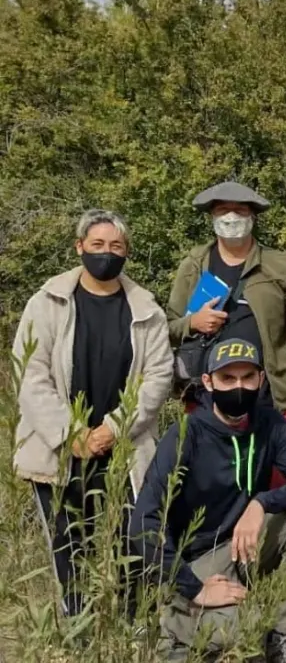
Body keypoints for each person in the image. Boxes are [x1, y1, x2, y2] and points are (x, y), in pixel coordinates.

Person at [166, 180, 286, 617]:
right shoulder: (194, 265)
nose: (231, 218)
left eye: (239, 210)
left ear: (254, 215)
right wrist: (193, 322)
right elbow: (168, 325)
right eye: (223, 211)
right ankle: (214, 579)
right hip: (208, 400)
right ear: (211, 216)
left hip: (272, 400)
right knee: (210, 495)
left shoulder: (280, 265)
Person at [12, 209, 173, 617]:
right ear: (79, 247)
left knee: (132, 538)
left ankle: (133, 620)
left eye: (116, 246)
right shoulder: (46, 303)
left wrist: (111, 430)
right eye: (97, 245)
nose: (106, 253)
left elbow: (158, 376)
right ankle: (78, 624)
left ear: (127, 252)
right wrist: (72, 434)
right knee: (69, 542)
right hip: (61, 446)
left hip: (123, 444)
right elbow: (29, 374)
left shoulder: (145, 309)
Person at [131, 338, 286, 661]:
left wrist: (262, 502)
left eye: (248, 377)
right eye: (228, 378)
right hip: (199, 558)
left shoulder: (268, 423)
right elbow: (144, 520)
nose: (239, 387)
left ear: (261, 379)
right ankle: (174, 621)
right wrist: (195, 587)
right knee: (247, 628)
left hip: (246, 547)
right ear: (208, 382)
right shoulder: (187, 434)